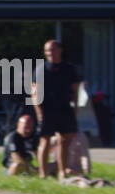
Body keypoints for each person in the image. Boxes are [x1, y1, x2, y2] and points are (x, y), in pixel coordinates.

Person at [30, 40, 85, 180]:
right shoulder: (41, 69)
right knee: (45, 141)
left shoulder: (69, 69)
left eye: (52, 50)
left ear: (60, 50)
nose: (50, 53)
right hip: (47, 109)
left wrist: (76, 108)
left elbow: (75, 90)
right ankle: (43, 173)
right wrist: (38, 112)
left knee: (65, 140)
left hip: (64, 108)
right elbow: (34, 92)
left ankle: (62, 172)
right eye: (47, 50)